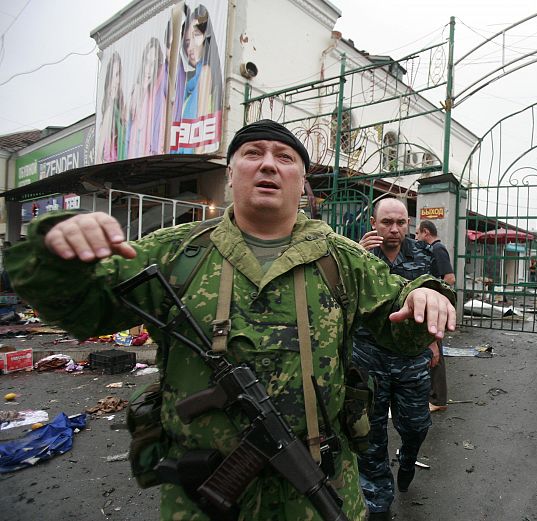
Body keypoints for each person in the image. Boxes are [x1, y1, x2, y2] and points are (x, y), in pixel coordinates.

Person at [5, 119, 456, 521]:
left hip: (318, 486)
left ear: (303, 183)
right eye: (252, 154)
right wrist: (59, 256)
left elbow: (398, 322)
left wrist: (424, 297)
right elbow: (86, 311)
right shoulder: (176, 251)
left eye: (284, 157)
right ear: (229, 174)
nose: (268, 165)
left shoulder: (342, 258)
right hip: (204, 495)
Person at [355, 200, 441, 520]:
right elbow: (341, 297)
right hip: (369, 356)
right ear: (374, 222)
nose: (394, 229)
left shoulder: (423, 254)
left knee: (417, 426)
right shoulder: (356, 254)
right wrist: (358, 258)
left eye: (401, 222)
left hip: (411, 357)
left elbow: (435, 301)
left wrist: (434, 346)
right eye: (387, 222)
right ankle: (378, 500)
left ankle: (407, 459)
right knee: (371, 433)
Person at [173, 4, 224, 154]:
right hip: (184, 145)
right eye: (187, 42)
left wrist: (199, 151)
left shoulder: (206, 71)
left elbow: (201, 118)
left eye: (196, 36)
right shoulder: (192, 78)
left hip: (191, 149)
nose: (190, 47)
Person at [416, 220, 455, 413]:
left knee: (436, 352)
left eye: (417, 233)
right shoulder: (433, 249)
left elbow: (449, 278)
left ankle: (438, 399)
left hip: (435, 309)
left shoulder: (438, 249)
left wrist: (437, 297)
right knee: (431, 351)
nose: (416, 238)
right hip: (432, 307)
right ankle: (433, 395)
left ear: (425, 232)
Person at [127, 37, 167, 157]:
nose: (149, 69)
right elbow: (136, 125)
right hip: (135, 157)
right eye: (147, 62)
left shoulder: (158, 96)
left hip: (150, 156)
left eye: (153, 64)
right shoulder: (137, 90)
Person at [99, 52, 126, 162]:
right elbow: (100, 152)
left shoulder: (118, 108)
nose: (117, 80)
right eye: (114, 75)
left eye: (118, 74)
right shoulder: (110, 110)